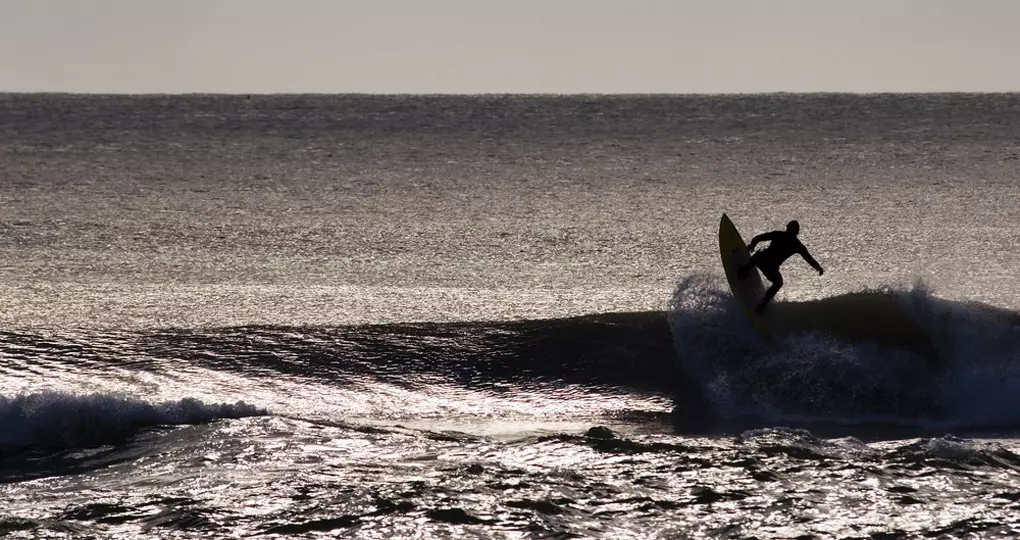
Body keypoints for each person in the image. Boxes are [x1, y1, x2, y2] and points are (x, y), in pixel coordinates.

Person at [738, 220, 824, 313]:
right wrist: (818, 267)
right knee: (778, 282)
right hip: (770, 267)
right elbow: (809, 259)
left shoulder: (781, 236)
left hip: (763, 262)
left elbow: (758, 238)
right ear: (797, 232)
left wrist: (752, 245)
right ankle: (762, 304)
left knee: (758, 256)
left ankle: (745, 270)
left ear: (788, 229)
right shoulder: (797, 245)